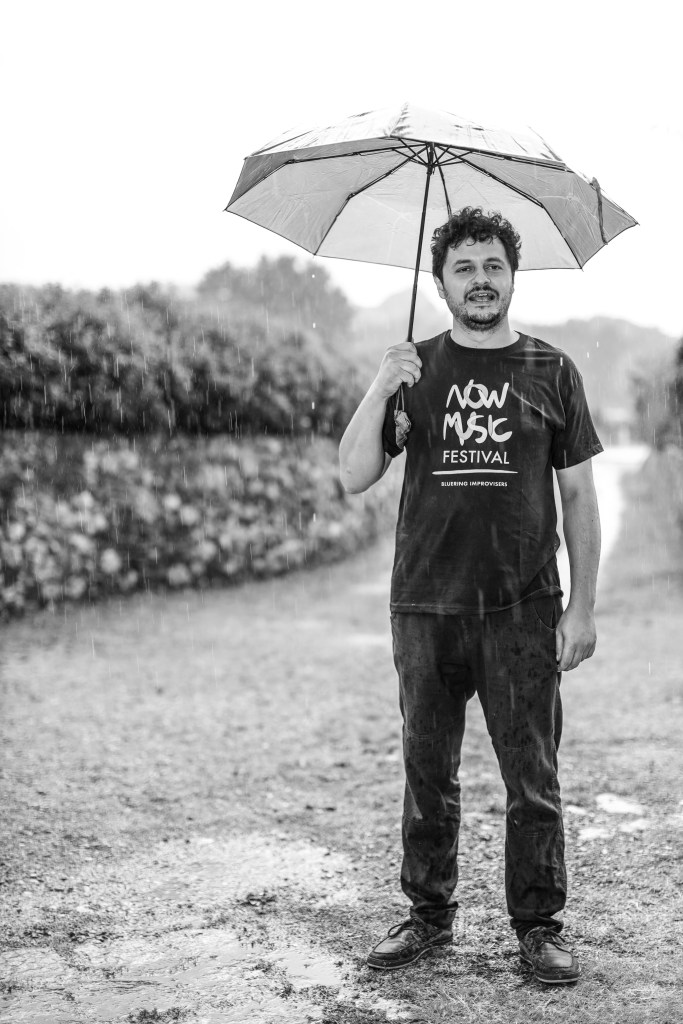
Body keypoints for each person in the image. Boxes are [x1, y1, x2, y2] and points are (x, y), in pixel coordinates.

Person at [338, 207, 602, 986]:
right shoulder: (411, 370)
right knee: (428, 769)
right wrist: (381, 385)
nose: (479, 280)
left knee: (532, 774)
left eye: (492, 266)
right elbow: (351, 474)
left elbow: (579, 498)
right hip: (424, 603)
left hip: (522, 605)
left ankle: (538, 925)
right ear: (441, 283)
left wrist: (582, 607)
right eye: (464, 268)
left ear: (511, 277)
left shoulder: (551, 370)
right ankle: (427, 916)